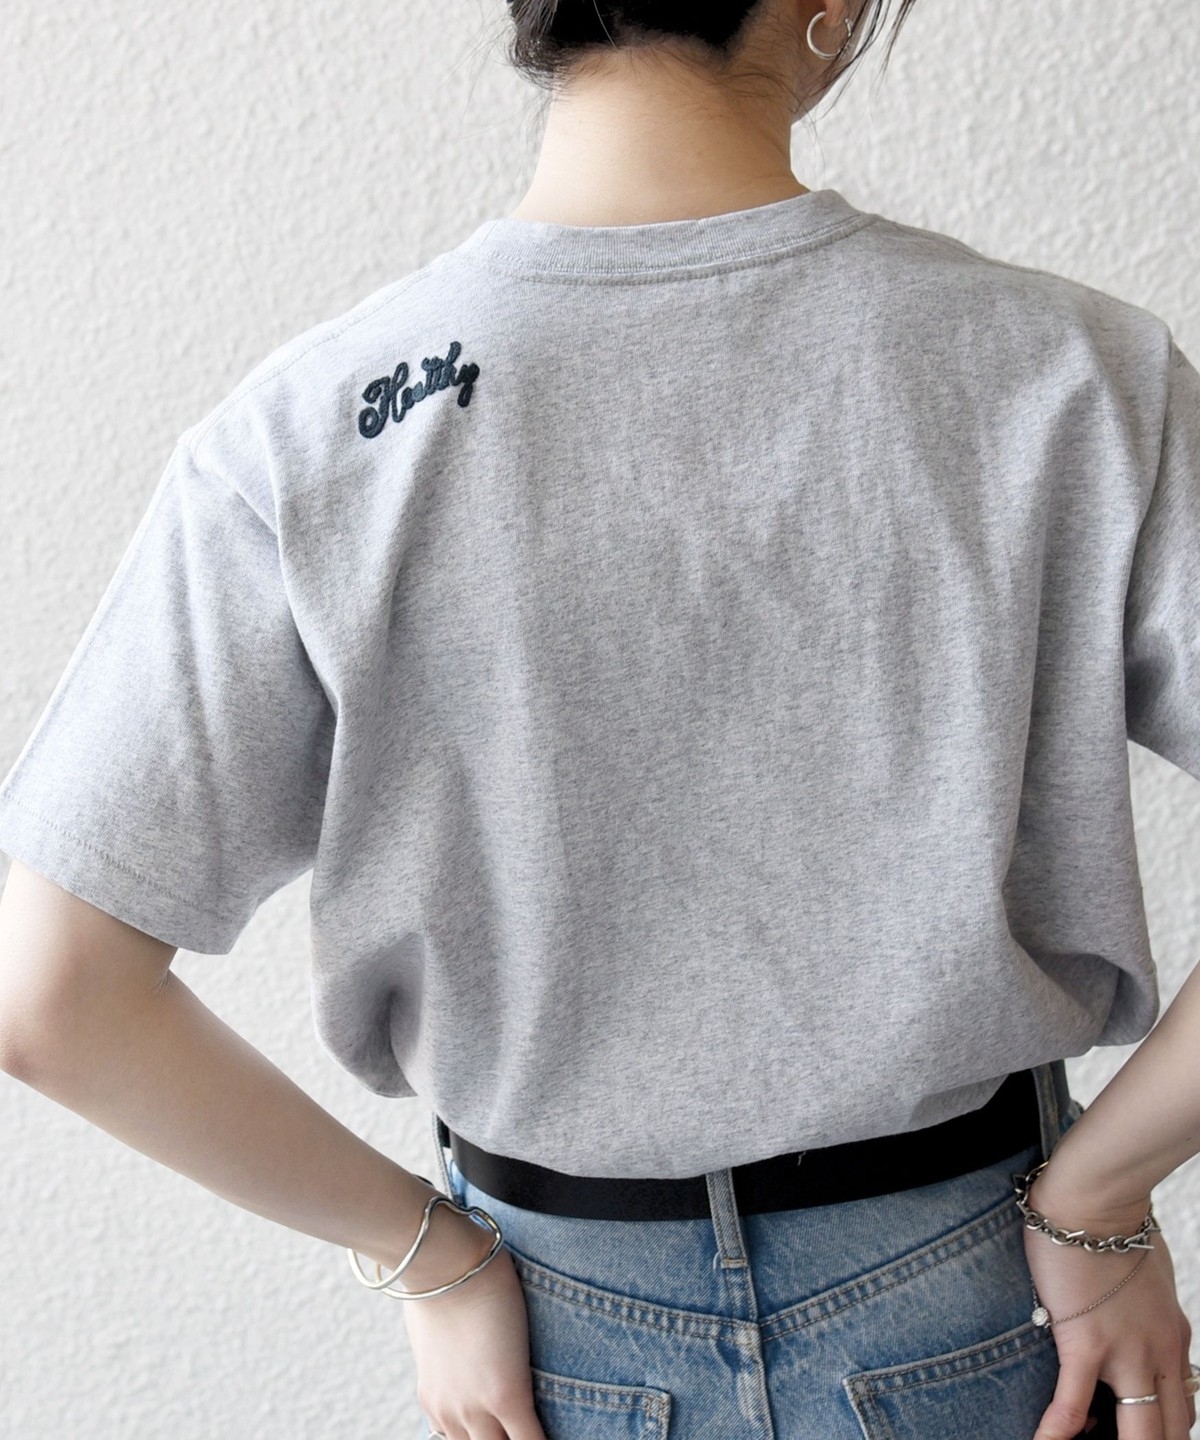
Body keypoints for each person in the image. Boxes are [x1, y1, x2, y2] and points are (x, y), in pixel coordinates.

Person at [0, 1, 1198, 1437]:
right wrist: (1099, 1194)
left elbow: (53, 997)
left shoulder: (307, 433)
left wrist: (427, 1258)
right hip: (984, 1288)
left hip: (558, 1326)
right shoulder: (1072, 371)